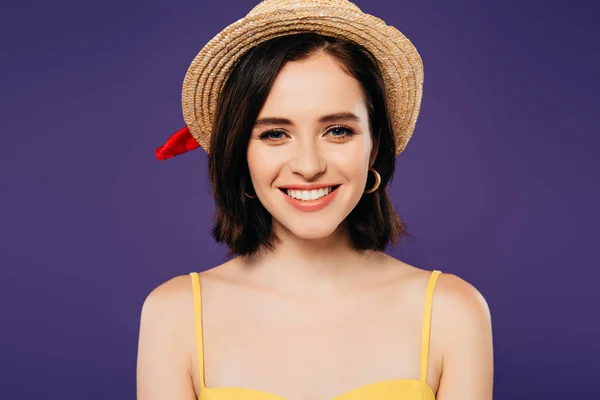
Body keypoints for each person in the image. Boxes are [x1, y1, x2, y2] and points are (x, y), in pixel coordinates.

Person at [136, 1, 493, 399]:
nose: (308, 166)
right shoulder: (174, 315)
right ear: (241, 153)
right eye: (274, 134)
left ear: (374, 147)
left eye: (338, 130)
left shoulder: (453, 312)